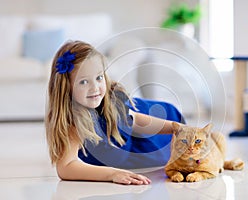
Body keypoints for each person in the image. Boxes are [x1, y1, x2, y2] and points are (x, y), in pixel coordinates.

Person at [45, 40, 185, 185]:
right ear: (66, 87)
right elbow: (66, 167)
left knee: (183, 143)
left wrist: (175, 127)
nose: (95, 88)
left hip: (149, 123)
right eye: (84, 82)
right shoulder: (73, 120)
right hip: (125, 149)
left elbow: (135, 120)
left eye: (99, 78)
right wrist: (111, 174)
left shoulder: (111, 100)